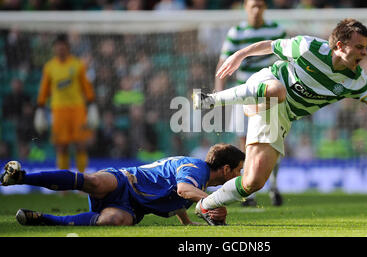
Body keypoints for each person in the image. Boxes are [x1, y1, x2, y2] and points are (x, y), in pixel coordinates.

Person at [192, 18, 367, 224]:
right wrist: (240, 54)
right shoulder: (308, 47)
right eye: (359, 47)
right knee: (277, 89)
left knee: (253, 182)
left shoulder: (357, 80)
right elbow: (270, 45)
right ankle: (210, 100)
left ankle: (206, 205)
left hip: (282, 115)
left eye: (365, 48)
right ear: (340, 45)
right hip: (267, 84)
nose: (365, 53)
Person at [0, 143, 245, 226]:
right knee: (93, 181)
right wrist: (207, 204)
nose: (239, 175)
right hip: (126, 181)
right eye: (238, 170)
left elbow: (176, 196)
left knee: (113, 221)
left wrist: (188, 221)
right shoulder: (197, 168)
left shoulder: (199, 181)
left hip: (133, 208)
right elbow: (183, 190)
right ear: (226, 169)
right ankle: (22, 177)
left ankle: (44, 219)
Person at [215, 0, 286, 206]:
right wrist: (220, 95)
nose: (256, 10)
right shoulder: (236, 32)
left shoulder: (276, 30)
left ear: (265, 8)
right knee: (245, 144)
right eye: (253, 5)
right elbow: (223, 64)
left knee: (274, 141)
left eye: (260, 5)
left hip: (270, 94)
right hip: (244, 94)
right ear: (245, 7)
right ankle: (250, 194)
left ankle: (273, 185)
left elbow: (287, 60)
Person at [34, 34, 99, 174]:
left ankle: (82, 180)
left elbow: (86, 86)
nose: (60, 51)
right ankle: (63, 184)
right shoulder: (49, 67)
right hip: (58, 110)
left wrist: (92, 103)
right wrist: (40, 107)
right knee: (61, 146)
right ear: (54, 49)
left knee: (80, 145)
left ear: (68, 48)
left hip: (77, 109)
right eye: (58, 48)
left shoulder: (78, 64)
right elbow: (44, 89)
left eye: (63, 48)